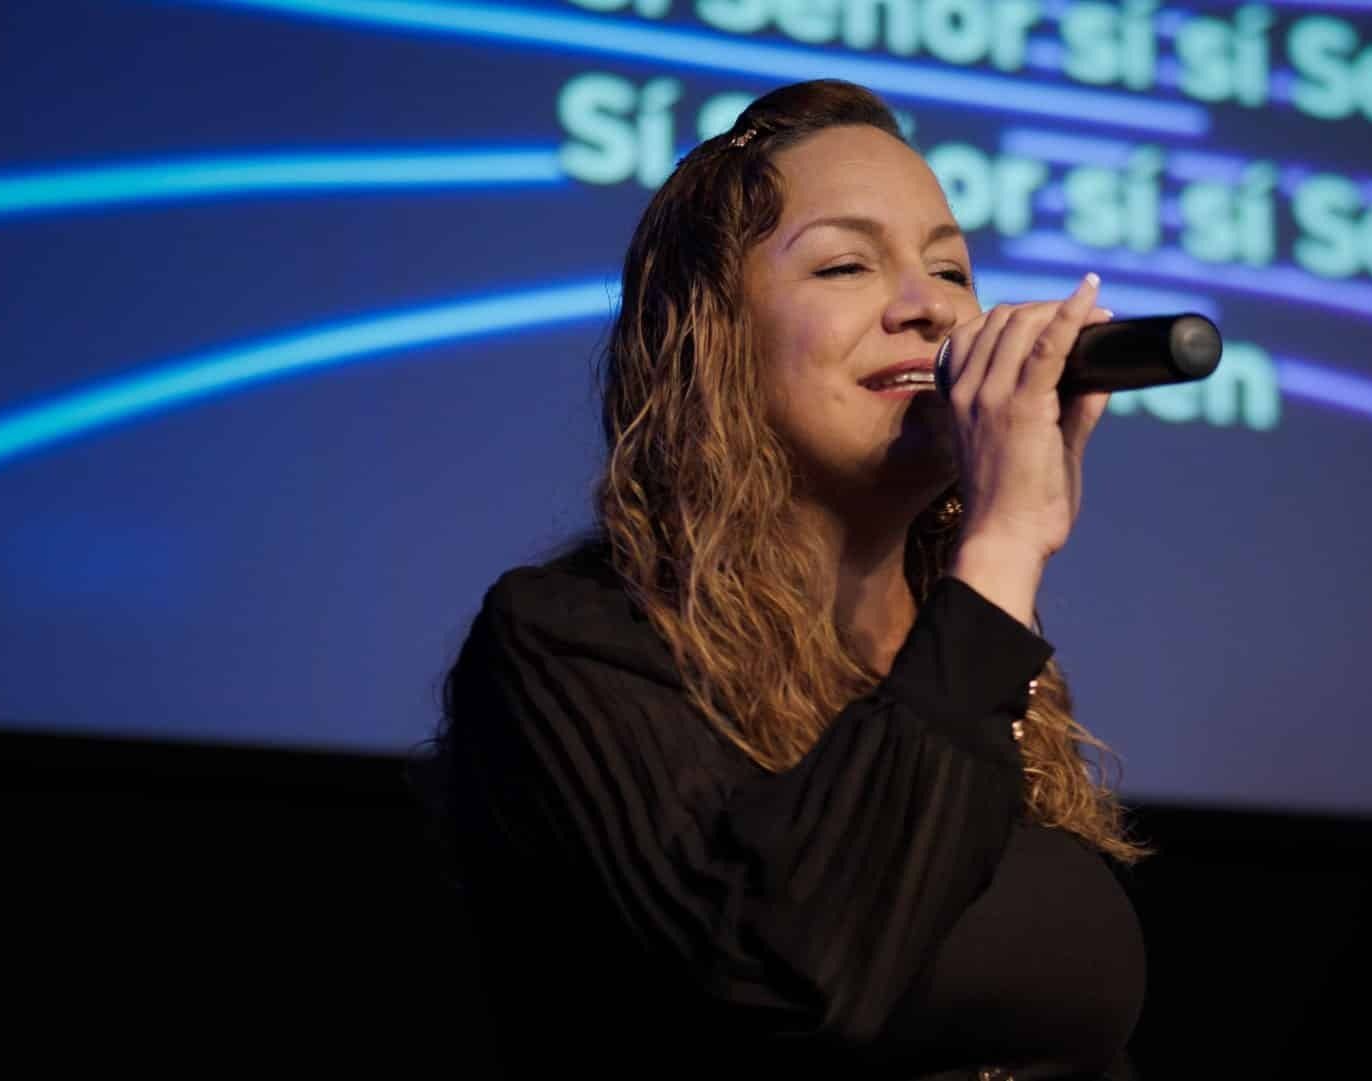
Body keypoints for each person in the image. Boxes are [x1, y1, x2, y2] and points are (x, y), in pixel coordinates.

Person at [418, 79, 1151, 1080]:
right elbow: (791, 981)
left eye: (951, 267)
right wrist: (1000, 550)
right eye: (848, 264)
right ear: (714, 340)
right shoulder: (572, 641)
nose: (931, 305)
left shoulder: (981, 668)